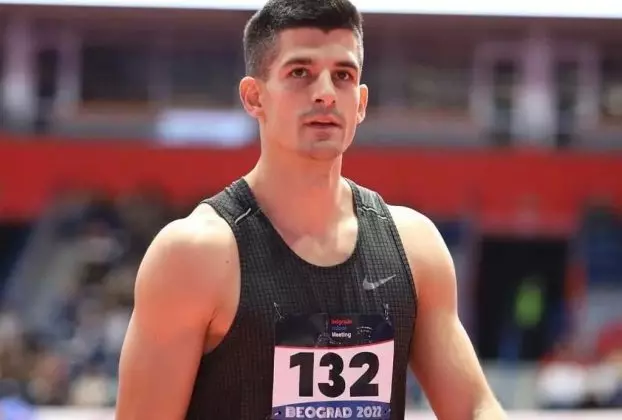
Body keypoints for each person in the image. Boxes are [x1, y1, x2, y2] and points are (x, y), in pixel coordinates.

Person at [116, 1, 507, 419]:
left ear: (360, 103)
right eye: (300, 72)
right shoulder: (192, 256)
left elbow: (474, 407)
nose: (325, 93)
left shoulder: (415, 249)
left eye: (343, 75)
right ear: (254, 97)